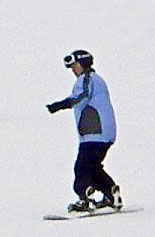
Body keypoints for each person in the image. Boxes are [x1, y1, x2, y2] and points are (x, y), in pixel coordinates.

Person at [46, 50, 123, 212]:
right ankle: (111, 193)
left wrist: (60, 105)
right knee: (93, 166)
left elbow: (82, 95)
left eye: (75, 65)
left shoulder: (87, 78)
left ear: (84, 64)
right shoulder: (95, 79)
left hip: (95, 133)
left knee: (82, 168)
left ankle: (85, 198)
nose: (73, 70)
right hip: (100, 134)